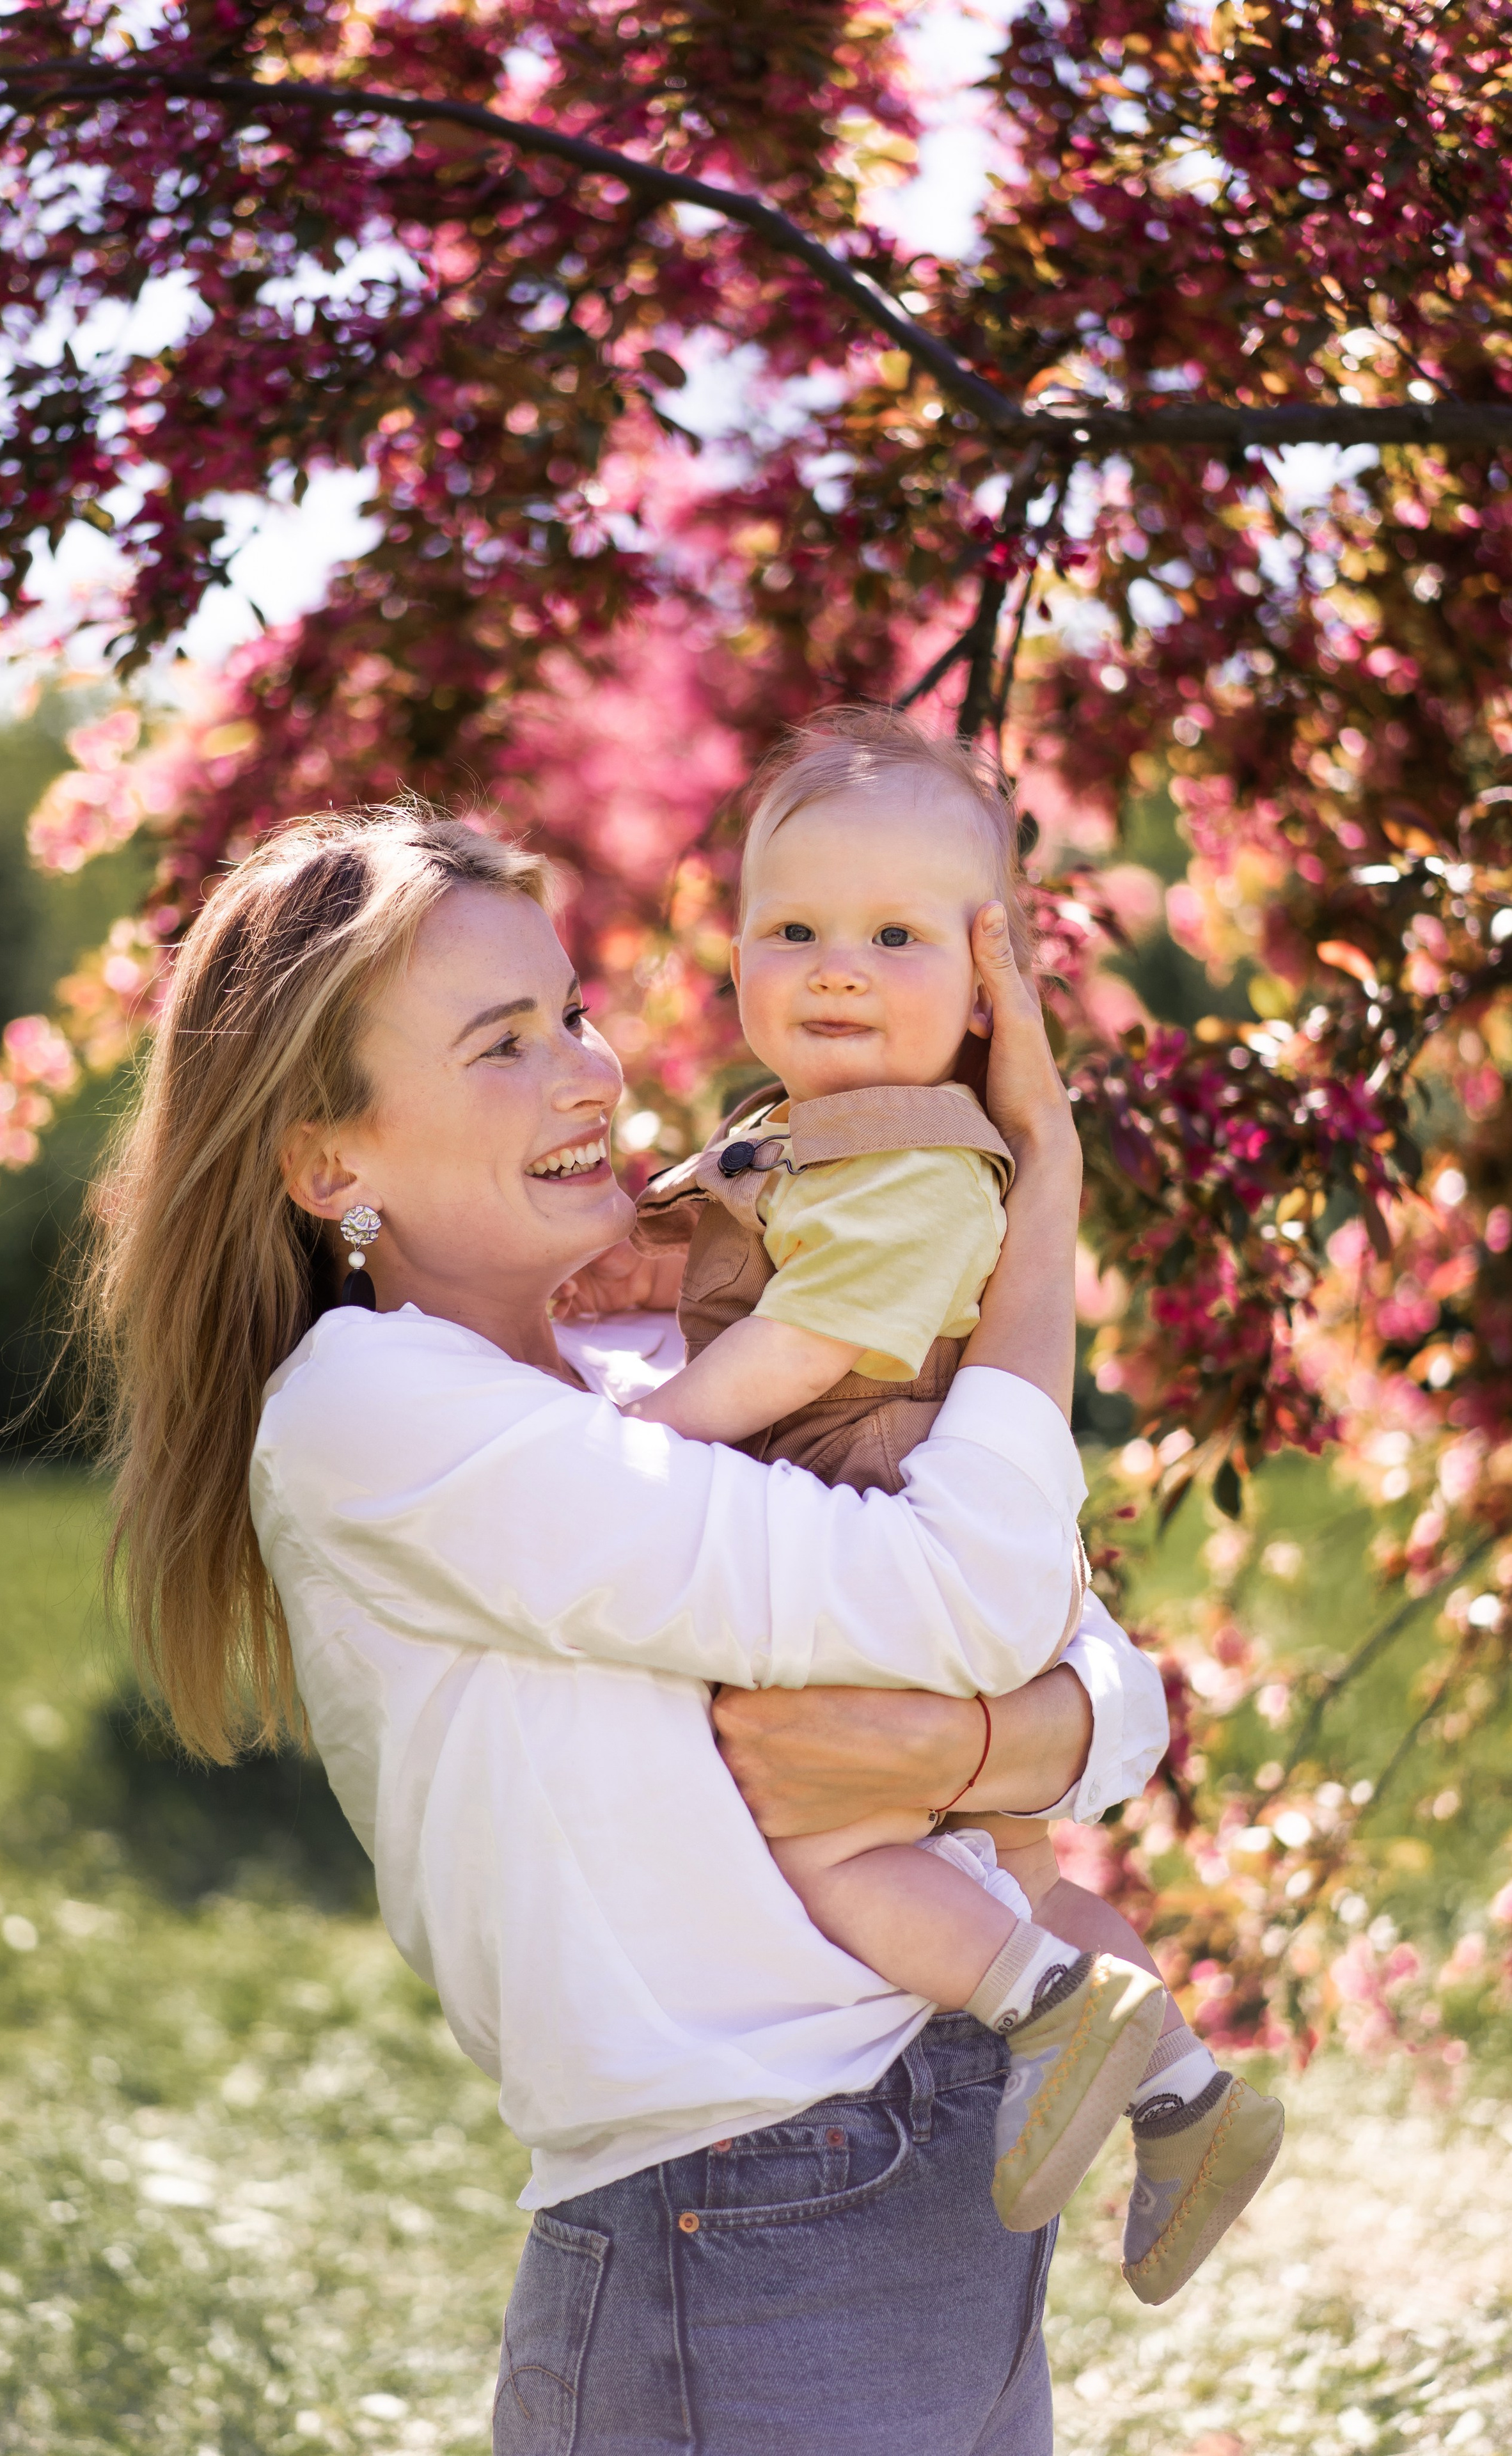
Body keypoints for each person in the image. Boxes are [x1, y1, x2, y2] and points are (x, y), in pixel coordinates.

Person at [79, 798, 1172, 2455]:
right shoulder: (382, 1420)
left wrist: (988, 1738)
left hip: (931, 2176)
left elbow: (1108, 1663)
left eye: (575, 1014)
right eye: (504, 1043)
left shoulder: (657, 1377)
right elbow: (977, 1591)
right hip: (743, 2242)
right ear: (329, 1163)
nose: (590, 1071)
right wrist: (1045, 1218)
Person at [621, 708, 1284, 2302]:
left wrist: (650, 1429)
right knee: (1024, 1872)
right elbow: (721, 1249)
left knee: (830, 1840)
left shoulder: (917, 1166)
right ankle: (1191, 2100)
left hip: (878, 1517)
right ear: (733, 965)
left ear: (989, 988)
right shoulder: (796, 1144)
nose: (835, 967)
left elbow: (811, 1340)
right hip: (929, 1549)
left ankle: (1051, 2007)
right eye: (793, 929)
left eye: (895, 936)